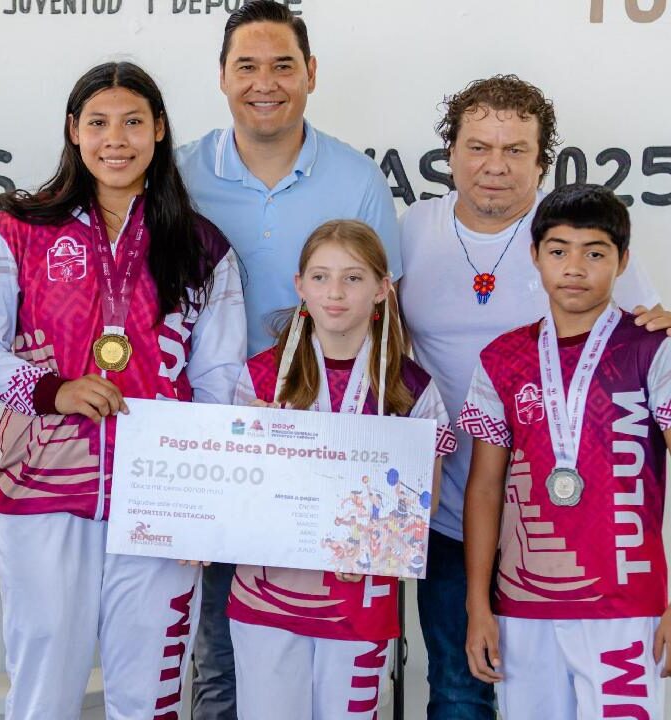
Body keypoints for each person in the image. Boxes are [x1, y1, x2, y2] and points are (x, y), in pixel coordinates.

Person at [0, 61, 246, 719]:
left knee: (148, 701)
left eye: (131, 122)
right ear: (73, 130)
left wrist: (201, 507)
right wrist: (50, 390)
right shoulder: (18, 230)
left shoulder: (202, 246)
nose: (114, 139)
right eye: (97, 123)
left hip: (161, 503)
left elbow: (219, 385)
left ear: (159, 130)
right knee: (42, 696)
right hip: (42, 496)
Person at [398, 75, 671, 719]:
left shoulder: (573, 232)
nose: (495, 165)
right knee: (460, 691)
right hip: (450, 511)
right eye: (479, 146)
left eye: (516, 149)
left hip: (582, 531)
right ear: (451, 153)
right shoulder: (413, 228)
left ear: (542, 160)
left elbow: (643, 331)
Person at [176, 4, 403, 714]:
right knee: (221, 654)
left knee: (334, 664)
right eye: (246, 66)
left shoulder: (358, 178)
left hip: (334, 454)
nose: (264, 83)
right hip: (220, 441)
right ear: (220, 77)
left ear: (311, 74)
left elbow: (391, 317)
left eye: (282, 65)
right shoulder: (179, 176)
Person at [228, 220, 454, 718]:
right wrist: (251, 443)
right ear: (300, 286)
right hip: (268, 599)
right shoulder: (262, 377)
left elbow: (425, 504)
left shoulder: (410, 387)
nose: (335, 293)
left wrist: (378, 539)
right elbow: (236, 495)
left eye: (353, 278)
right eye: (321, 277)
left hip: (359, 601)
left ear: (381, 289)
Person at [460, 184, 671, 718]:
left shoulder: (653, 347)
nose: (574, 267)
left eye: (594, 253)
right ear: (535, 256)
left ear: (622, 262)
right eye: (558, 251)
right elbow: (484, 488)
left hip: (625, 601)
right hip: (521, 605)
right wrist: (477, 604)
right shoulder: (502, 357)